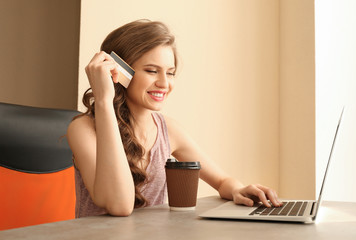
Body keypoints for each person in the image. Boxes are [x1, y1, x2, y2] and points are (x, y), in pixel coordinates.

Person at [67, 19, 282, 218]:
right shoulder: (83, 129)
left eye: (170, 73)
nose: (164, 83)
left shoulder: (167, 129)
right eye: (152, 71)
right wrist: (104, 100)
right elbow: (119, 205)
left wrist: (238, 189)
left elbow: (223, 180)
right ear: (118, 72)